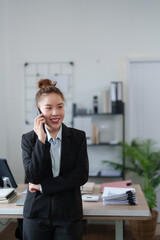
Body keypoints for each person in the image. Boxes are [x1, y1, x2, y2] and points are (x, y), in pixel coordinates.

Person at [21, 79, 89, 240]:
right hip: (37, 212)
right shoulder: (28, 139)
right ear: (39, 111)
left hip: (68, 214)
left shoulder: (78, 137)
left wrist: (44, 186)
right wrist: (41, 140)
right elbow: (33, 177)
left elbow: (81, 175)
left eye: (60, 106)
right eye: (48, 108)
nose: (55, 113)